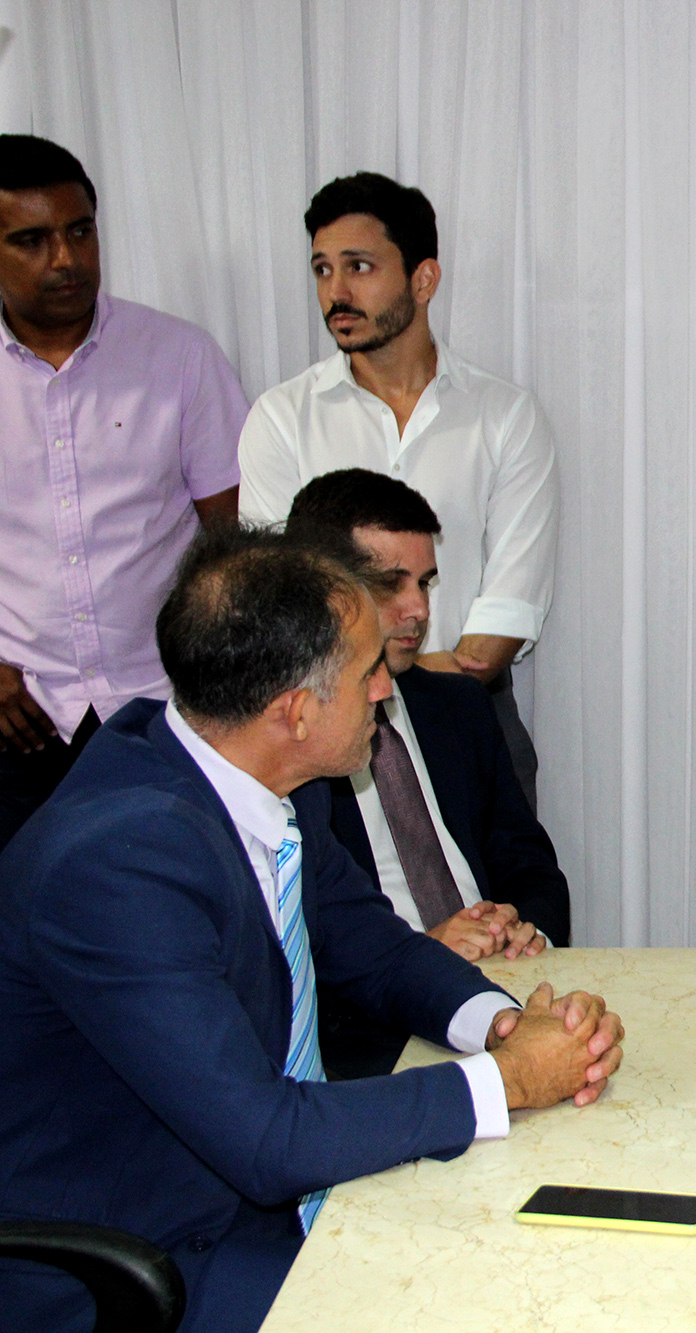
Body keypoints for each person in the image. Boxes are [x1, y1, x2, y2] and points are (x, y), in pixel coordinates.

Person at [0, 527, 622, 1333]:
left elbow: (374, 948)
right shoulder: (118, 864)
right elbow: (267, 1139)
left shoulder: (265, 774)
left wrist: (503, 1024)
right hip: (152, 1260)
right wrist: (509, 1080)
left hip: (255, 1195)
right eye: (367, 674)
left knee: (561, 1261)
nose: (386, 690)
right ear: (295, 712)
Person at [237, 171, 556, 807]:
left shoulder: (504, 416)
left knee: (507, 870)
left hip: (470, 715)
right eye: (322, 270)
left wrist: (418, 682)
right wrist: (363, 689)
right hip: (322, 731)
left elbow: (508, 610)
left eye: (359, 267)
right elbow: (275, 592)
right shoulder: (282, 417)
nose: (336, 292)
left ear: (424, 279)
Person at [0, 134, 247, 849]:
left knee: (166, 896)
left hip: (161, 708)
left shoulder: (179, 356)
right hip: (18, 715)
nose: (66, 259)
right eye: (32, 240)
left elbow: (233, 539)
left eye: (80, 231)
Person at [285, 468, 571, 1078]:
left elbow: (529, 859)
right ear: (319, 588)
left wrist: (523, 927)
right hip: (374, 1031)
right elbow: (304, 946)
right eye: (390, 584)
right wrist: (420, 953)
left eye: (425, 583)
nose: (418, 609)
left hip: (504, 984)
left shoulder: (457, 705)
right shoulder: (299, 739)